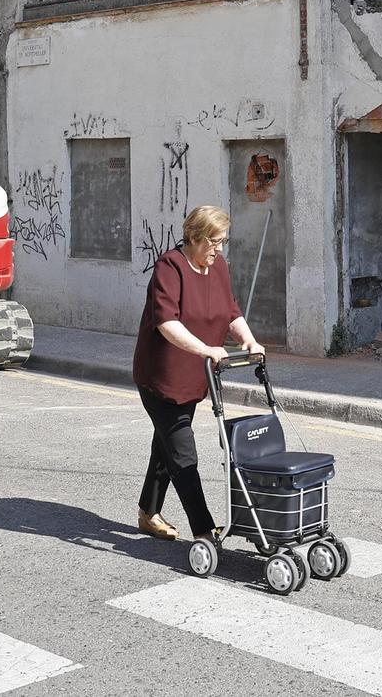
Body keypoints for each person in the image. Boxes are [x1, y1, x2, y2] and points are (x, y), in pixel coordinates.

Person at [130, 204, 265, 550]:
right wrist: (206, 348)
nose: (218, 250)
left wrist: (247, 340)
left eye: (222, 242)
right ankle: (204, 532)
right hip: (160, 380)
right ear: (194, 237)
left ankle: (148, 512)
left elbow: (230, 311)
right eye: (213, 242)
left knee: (167, 446)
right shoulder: (169, 267)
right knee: (183, 453)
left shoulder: (218, 267)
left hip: (194, 379)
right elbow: (166, 322)